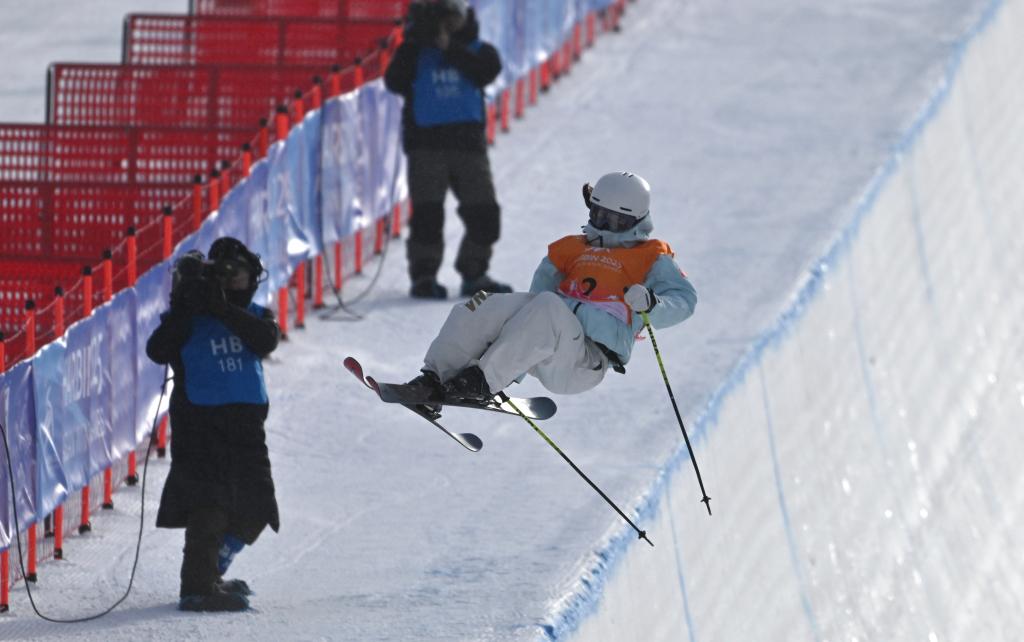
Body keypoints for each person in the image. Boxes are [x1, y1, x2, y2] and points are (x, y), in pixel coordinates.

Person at [406, 171, 697, 404]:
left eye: (615, 221)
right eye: (599, 215)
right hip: (549, 349)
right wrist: (512, 365)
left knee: (548, 305)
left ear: (635, 221)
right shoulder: (569, 250)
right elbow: (531, 310)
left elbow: (685, 300)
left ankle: (483, 381)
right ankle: (434, 377)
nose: (604, 226)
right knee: (484, 303)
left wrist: (652, 304)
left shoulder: (650, 257)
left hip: (586, 360)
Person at [146, 237, 280, 612]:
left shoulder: (255, 314)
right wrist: (186, 304)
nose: (230, 279)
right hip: (199, 424)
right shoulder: (188, 319)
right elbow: (157, 349)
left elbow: (265, 340)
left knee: (258, 503)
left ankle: (210, 572)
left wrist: (221, 309)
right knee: (209, 504)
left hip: (246, 426)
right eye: (222, 273)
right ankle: (197, 587)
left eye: (237, 273)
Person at [384, 0, 512, 299]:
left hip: (468, 146)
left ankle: (474, 271)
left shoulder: (478, 50)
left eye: (451, 15)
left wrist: (449, 47)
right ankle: (424, 276)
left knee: (484, 212)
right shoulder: (414, 52)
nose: (446, 23)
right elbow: (394, 80)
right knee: (427, 215)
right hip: (426, 146)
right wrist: (418, 40)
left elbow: (486, 70)